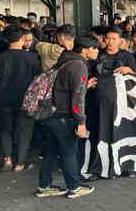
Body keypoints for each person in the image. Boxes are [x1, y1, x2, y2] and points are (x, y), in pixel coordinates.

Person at [36, 35, 99, 199]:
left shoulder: (66, 60)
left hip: (50, 114)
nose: (98, 50)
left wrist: (85, 85)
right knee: (69, 152)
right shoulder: (79, 66)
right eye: (95, 48)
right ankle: (74, 187)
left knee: (52, 150)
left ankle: (44, 186)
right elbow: (77, 99)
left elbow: (66, 87)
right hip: (65, 116)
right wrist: (81, 122)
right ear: (85, 50)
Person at [0, 25, 41, 172]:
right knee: (23, 131)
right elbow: (37, 80)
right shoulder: (31, 57)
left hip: (4, 99)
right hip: (25, 100)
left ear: (6, 40)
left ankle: (7, 160)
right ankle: (20, 163)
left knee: (6, 129)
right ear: (22, 39)